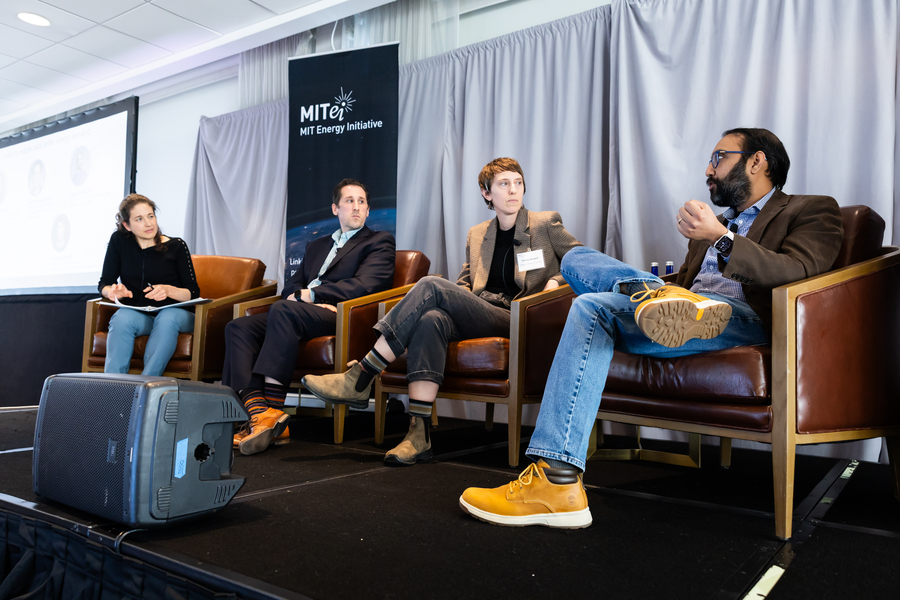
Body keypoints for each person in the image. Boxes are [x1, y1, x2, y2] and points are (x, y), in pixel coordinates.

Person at [458, 128, 845, 529]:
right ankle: (560, 483)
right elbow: (690, 278)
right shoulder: (715, 223)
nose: (708, 169)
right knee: (577, 268)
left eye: (719, 158)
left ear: (756, 161)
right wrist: (691, 267)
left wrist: (721, 238)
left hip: (743, 318)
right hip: (683, 316)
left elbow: (799, 272)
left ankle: (657, 299)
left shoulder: (811, 209)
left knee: (614, 298)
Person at [303, 158, 583, 466]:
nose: (513, 190)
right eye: (504, 184)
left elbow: (578, 259)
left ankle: (362, 375)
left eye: (517, 182)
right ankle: (418, 434)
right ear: (487, 193)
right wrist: (454, 299)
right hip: (480, 309)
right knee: (431, 318)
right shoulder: (478, 234)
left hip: (516, 316)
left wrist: (554, 281)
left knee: (431, 285)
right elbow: (465, 284)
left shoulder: (543, 223)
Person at [224, 178, 395, 456]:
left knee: (284, 309)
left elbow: (367, 285)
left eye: (361, 202)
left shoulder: (379, 241)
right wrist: (297, 296)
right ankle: (259, 414)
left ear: (367, 210)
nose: (356, 207)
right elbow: (292, 285)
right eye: (349, 201)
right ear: (335, 209)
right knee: (238, 327)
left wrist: (316, 297)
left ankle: (274, 411)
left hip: (342, 316)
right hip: (300, 313)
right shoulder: (316, 245)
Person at [99, 194, 201, 376]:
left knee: (167, 317)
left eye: (151, 216)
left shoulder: (177, 246)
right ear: (127, 225)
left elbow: (193, 292)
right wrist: (113, 292)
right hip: (142, 316)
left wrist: (169, 290)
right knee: (122, 318)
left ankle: (146, 388)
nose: (148, 224)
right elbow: (105, 283)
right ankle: (113, 389)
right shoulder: (119, 242)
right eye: (139, 219)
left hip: (177, 315)